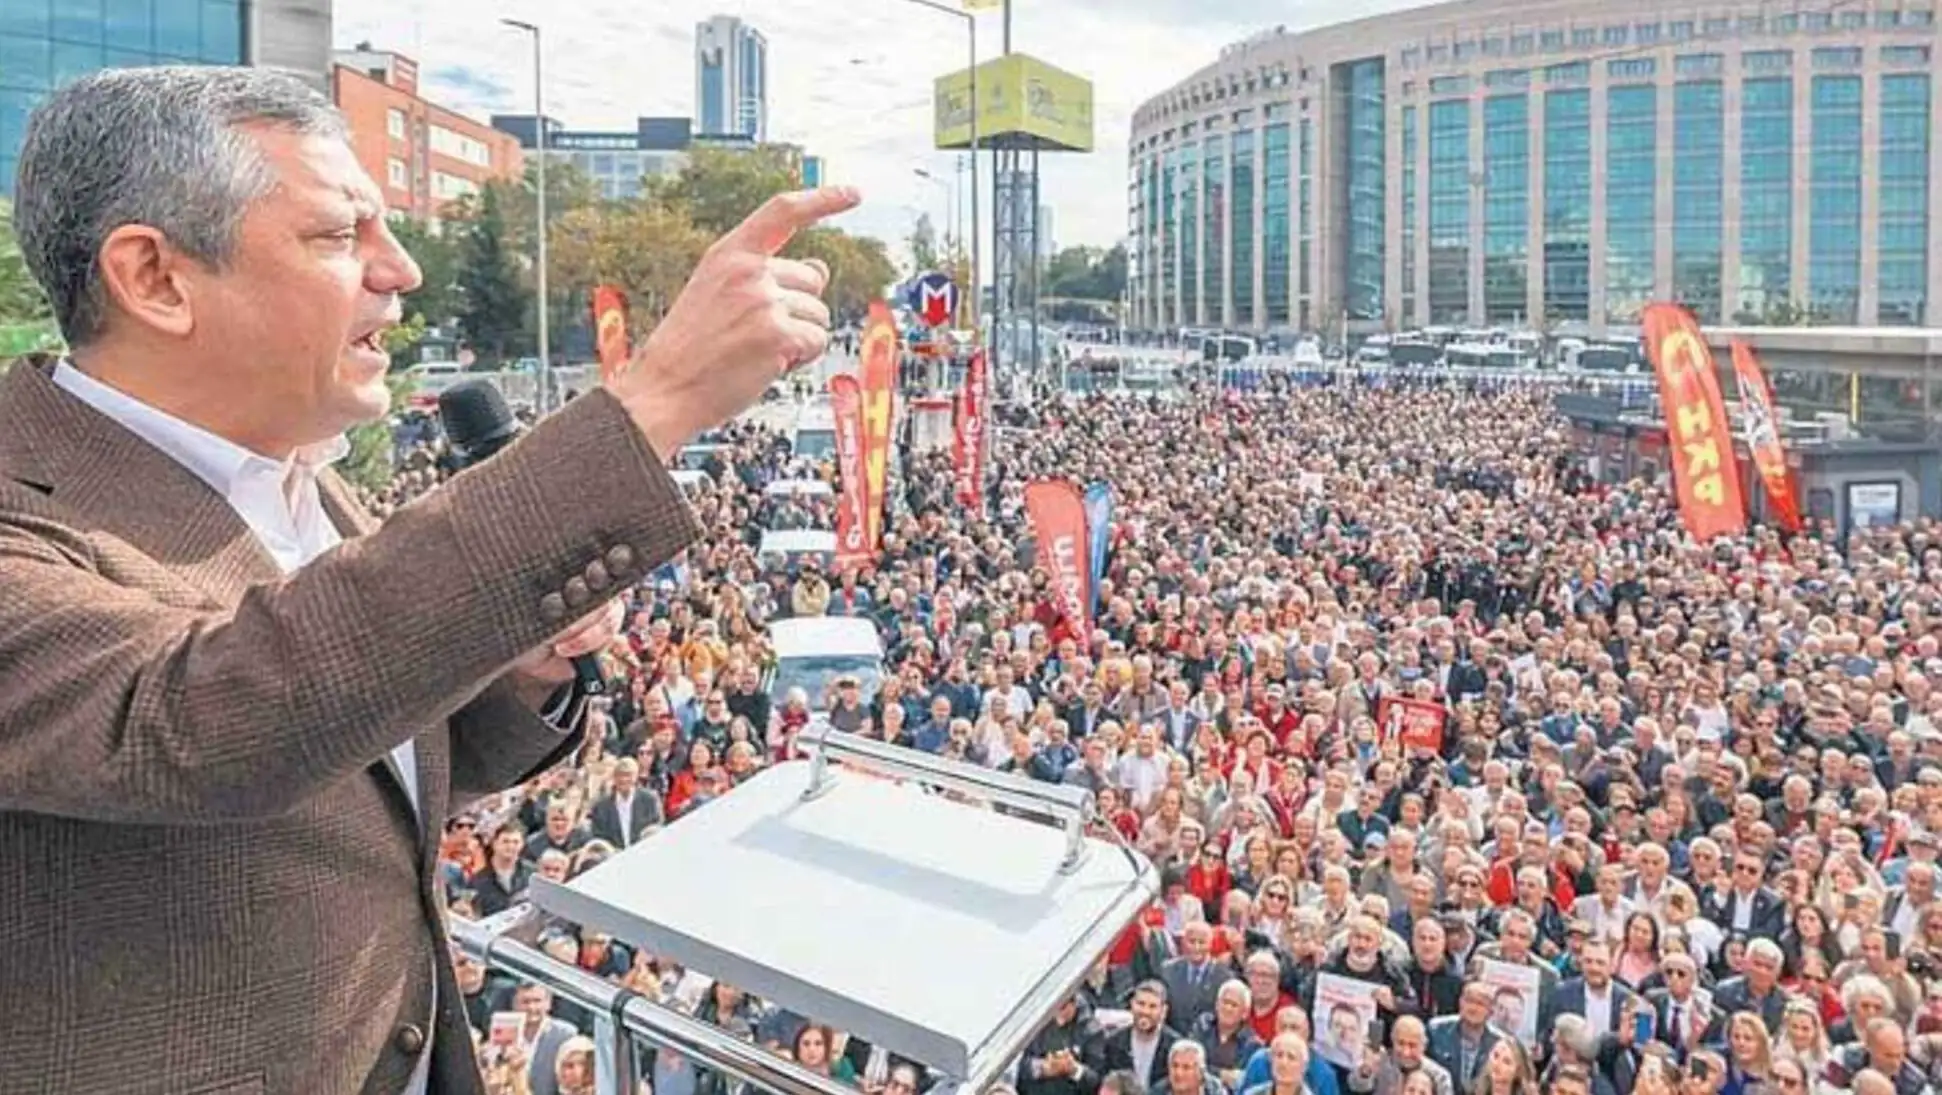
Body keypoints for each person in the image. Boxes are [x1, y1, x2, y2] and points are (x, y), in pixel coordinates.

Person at [0, 65, 857, 1092]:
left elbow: (362, 762)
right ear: (155, 278)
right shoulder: (25, 503)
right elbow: (205, 725)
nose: (400, 271)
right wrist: (656, 398)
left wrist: (521, 669)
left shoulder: (301, 489)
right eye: (336, 235)